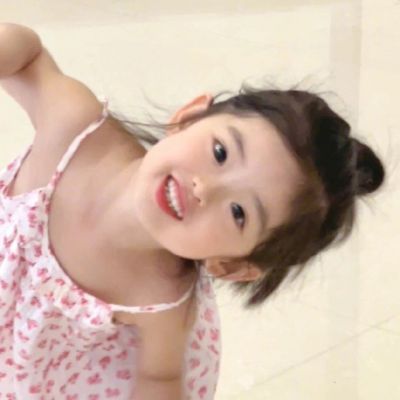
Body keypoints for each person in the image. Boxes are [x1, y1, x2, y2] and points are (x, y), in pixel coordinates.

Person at [0, 23, 385, 400]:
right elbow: (29, 54)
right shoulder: (76, 131)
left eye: (238, 212)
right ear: (189, 117)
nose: (205, 188)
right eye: (220, 152)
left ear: (232, 264)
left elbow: (160, 375)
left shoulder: (158, 293)